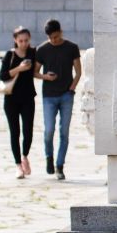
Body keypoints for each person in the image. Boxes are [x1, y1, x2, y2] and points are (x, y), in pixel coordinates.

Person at [33, 19, 81, 179]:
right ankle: (49, 157)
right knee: (49, 131)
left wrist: (72, 88)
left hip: (66, 95)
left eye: (56, 36)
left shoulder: (72, 47)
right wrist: (45, 76)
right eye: (50, 37)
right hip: (49, 96)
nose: (53, 40)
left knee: (64, 132)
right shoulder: (42, 49)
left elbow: (78, 72)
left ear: (60, 32)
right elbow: (35, 72)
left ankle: (60, 166)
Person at [2, 27, 37, 178]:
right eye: (20, 41)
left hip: (28, 98)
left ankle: (25, 156)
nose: (23, 43)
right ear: (15, 40)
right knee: (14, 132)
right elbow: (3, 75)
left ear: (30, 39)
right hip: (11, 100)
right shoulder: (10, 55)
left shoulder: (33, 53)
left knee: (28, 131)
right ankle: (18, 165)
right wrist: (19, 68)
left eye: (26, 40)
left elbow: (37, 70)